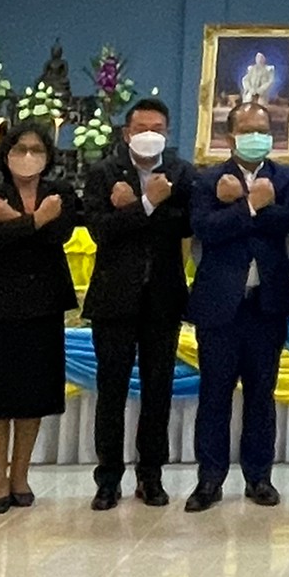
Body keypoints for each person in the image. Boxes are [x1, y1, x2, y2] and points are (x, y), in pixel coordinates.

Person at [79, 96, 195, 511]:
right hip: (114, 299)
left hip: (163, 298)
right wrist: (148, 204)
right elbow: (100, 231)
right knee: (111, 390)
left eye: (157, 129)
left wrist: (137, 207)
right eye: (141, 128)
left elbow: (185, 223)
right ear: (127, 133)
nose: (149, 135)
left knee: (157, 390)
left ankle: (151, 475)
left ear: (167, 133)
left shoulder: (181, 173)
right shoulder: (104, 173)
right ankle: (108, 478)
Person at [0, 120, 77, 512]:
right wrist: (36, 220)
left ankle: (20, 476)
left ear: (48, 155)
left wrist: (15, 219)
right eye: (20, 148)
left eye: (36, 149)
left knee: (32, 396)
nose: (28, 156)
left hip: (44, 305)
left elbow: (57, 238)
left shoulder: (60, 193)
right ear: (6, 153)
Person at [188, 101, 289, 510]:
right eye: (248, 130)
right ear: (230, 136)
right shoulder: (207, 179)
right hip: (220, 306)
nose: (256, 137)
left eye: (263, 130)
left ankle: (259, 477)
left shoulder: (287, 177)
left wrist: (242, 205)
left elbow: (283, 223)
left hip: (266, 305)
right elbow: (206, 229)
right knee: (214, 394)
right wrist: (252, 206)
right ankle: (209, 479)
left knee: (261, 395)